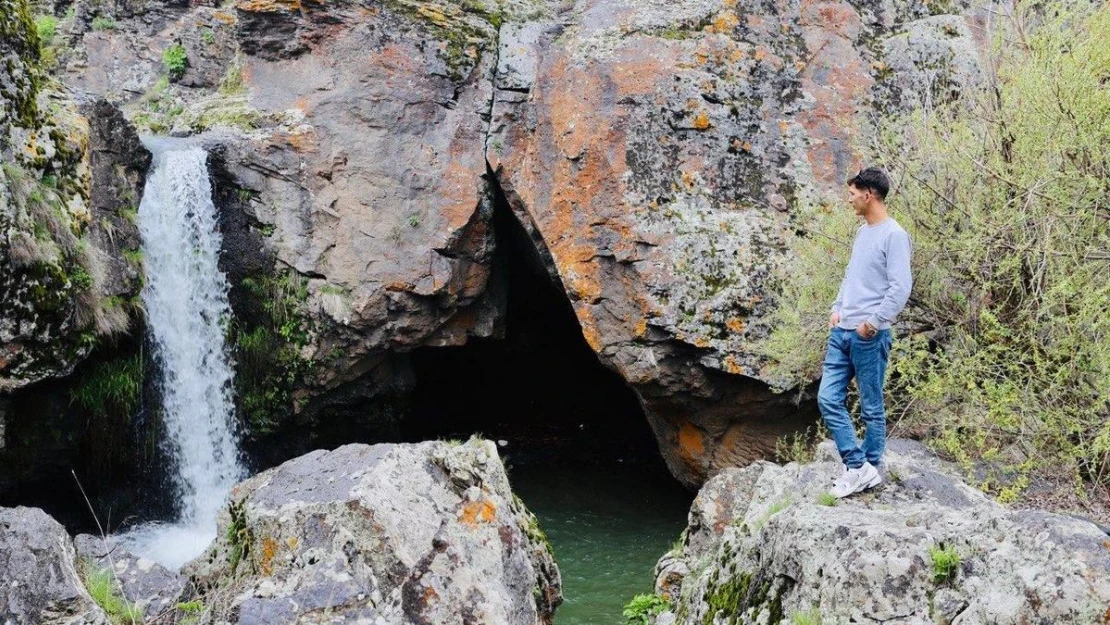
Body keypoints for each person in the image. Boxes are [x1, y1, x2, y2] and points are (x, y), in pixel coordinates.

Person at [821, 167, 912, 499]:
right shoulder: (863, 233)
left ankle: (867, 467)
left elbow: (900, 288)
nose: (849, 199)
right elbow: (850, 276)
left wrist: (871, 324)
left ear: (868, 194)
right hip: (841, 331)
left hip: (868, 336)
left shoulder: (894, 235)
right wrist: (837, 307)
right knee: (827, 398)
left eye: (852, 193)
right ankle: (859, 468)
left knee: (871, 406)